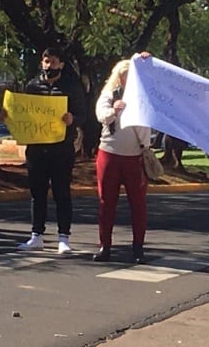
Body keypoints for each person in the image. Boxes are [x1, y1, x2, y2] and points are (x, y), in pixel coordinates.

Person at [11, 47, 86, 254]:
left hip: (62, 148)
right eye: (46, 61)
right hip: (36, 148)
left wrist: (73, 119)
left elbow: (83, 115)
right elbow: (24, 113)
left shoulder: (71, 87)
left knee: (62, 192)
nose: (48, 65)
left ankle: (64, 237)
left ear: (61, 64)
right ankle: (37, 235)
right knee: (37, 193)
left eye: (53, 62)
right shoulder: (33, 86)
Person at [93, 52, 151, 263]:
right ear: (118, 76)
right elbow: (101, 115)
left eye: (131, 74)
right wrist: (114, 111)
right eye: (124, 75)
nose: (127, 79)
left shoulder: (144, 95)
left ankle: (138, 248)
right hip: (109, 153)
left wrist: (142, 59)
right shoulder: (110, 94)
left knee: (138, 203)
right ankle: (105, 247)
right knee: (106, 202)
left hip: (134, 156)